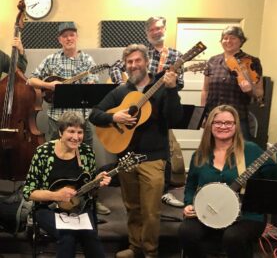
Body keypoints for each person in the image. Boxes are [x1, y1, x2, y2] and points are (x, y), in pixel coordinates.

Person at [89, 44, 184, 258]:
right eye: (129, 62)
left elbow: (175, 118)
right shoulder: (121, 92)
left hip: (153, 158)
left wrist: (171, 90)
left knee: (151, 211)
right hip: (126, 159)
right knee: (131, 207)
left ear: (146, 62)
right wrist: (114, 117)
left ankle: (150, 252)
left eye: (137, 60)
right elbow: (94, 114)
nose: (133, 65)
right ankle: (135, 247)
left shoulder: (161, 87)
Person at [178, 104, 277, 258]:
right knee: (186, 231)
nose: (223, 126)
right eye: (218, 122)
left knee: (233, 237)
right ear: (209, 125)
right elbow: (191, 186)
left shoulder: (251, 150)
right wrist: (188, 204)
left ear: (236, 125)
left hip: (247, 216)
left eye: (228, 123)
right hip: (209, 212)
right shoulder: (200, 155)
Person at [27, 22, 111, 215]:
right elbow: (30, 80)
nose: (68, 39)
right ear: (59, 39)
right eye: (64, 36)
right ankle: (53, 198)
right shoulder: (51, 58)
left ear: (76, 37)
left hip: (81, 120)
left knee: (86, 161)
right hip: (56, 119)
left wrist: (81, 87)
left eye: (71, 35)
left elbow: (93, 88)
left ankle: (90, 198)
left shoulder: (87, 61)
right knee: (54, 159)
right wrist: (50, 86)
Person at [109, 16, 185, 208]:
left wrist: (170, 85)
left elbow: (179, 82)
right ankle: (135, 187)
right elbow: (116, 68)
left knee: (165, 149)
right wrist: (124, 86)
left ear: (165, 30)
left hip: (159, 107)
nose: (156, 32)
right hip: (138, 108)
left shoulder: (176, 56)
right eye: (152, 29)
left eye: (159, 28)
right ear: (147, 32)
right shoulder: (142, 53)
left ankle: (163, 190)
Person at [23, 111, 111, 258]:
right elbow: (28, 191)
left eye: (80, 132)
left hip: (80, 207)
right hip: (47, 208)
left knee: (91, 236)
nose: (76, 137)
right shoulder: (43, 152)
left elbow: (89, 190)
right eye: (71, 131)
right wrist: (55, 195)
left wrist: (97, 182)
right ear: (60, 132)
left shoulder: (86, 152)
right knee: (68, 235)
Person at [201, 26, 264, 139]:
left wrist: (250, 91)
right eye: (225, 38)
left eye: (233, 38)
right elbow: (205, 90)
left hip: (237, 119)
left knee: (240, 154)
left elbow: (259, 94)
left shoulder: (251, 61)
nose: (228, 41)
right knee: (211, 153)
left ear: (241, 41)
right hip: (214, 117)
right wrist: (202, 115)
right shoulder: (213, 61)